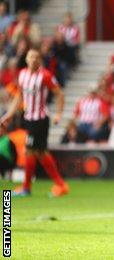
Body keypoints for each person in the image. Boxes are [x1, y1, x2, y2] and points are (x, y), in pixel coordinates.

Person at [0, 49, 68, 197]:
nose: (34, 59)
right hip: (29, 118)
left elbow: (58, 93)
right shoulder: (23, 74)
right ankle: (47, 185)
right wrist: (9, 114)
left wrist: (58, 113)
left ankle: (37, 186)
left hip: (40, 119)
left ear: (40, 60)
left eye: (37, 57)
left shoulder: (45, 75)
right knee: (37, 152)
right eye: (31, 57)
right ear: (26, 59)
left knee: (33, 151)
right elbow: (19, 96)